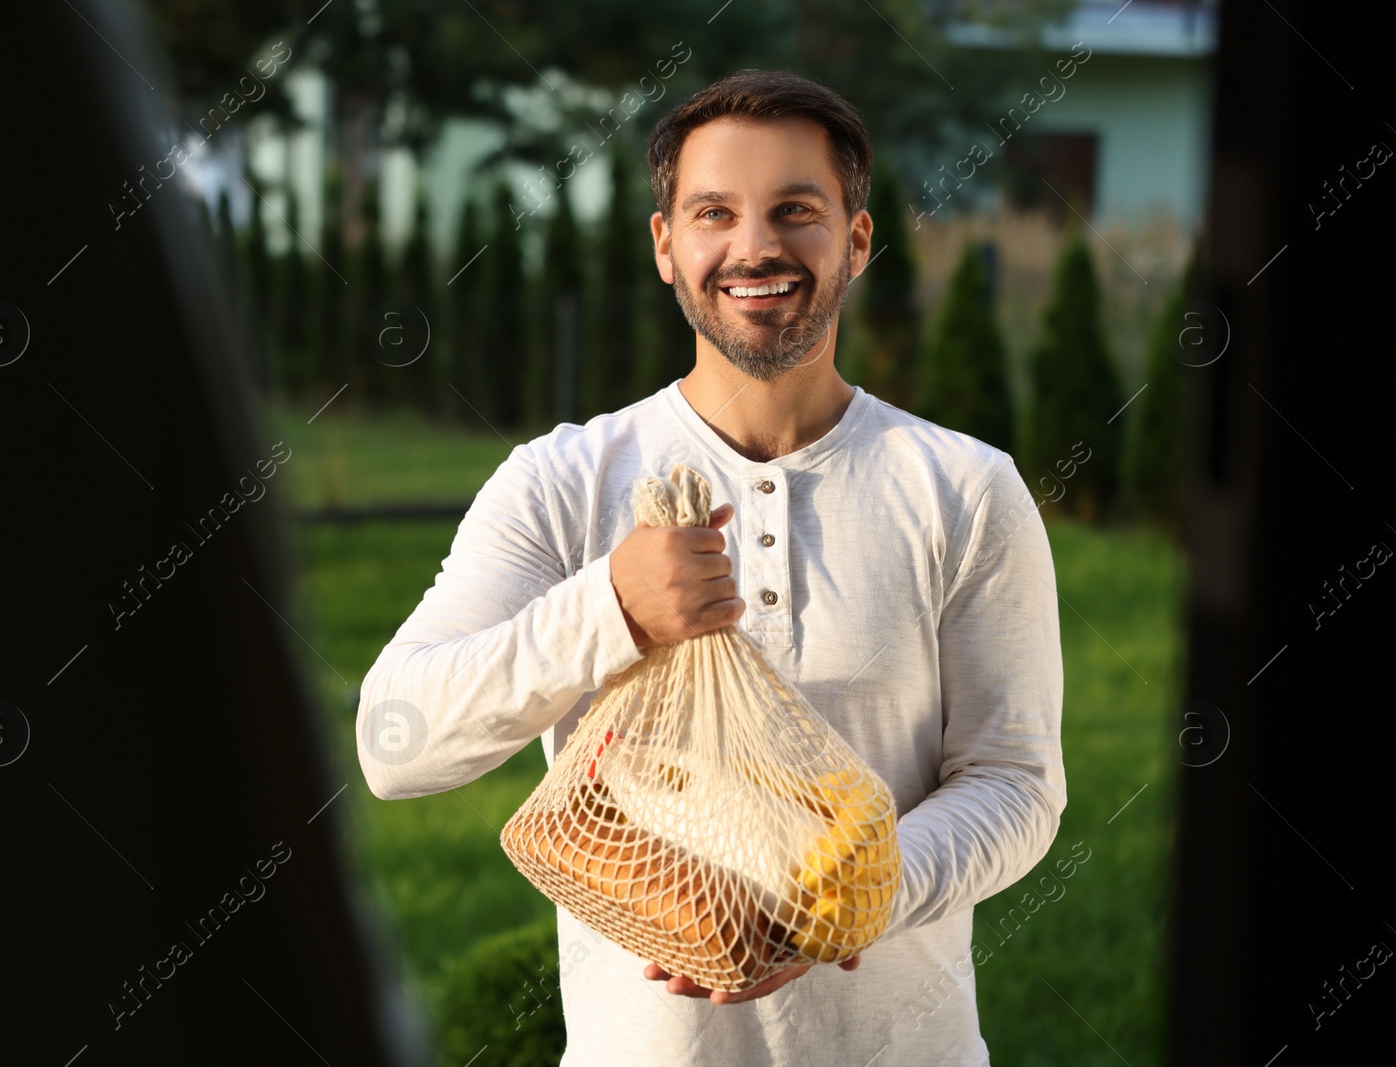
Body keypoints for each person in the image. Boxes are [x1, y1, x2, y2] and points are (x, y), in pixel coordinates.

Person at [356, 68, 1064, 1067]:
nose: (753, 246)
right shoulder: (560, 481)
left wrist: (850, 898)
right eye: (713, 213)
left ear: (856, 241)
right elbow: (394, 744)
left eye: (795, 211)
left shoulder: (962, 488)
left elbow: (1016, 780)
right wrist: (612, 608)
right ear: (665, 247)